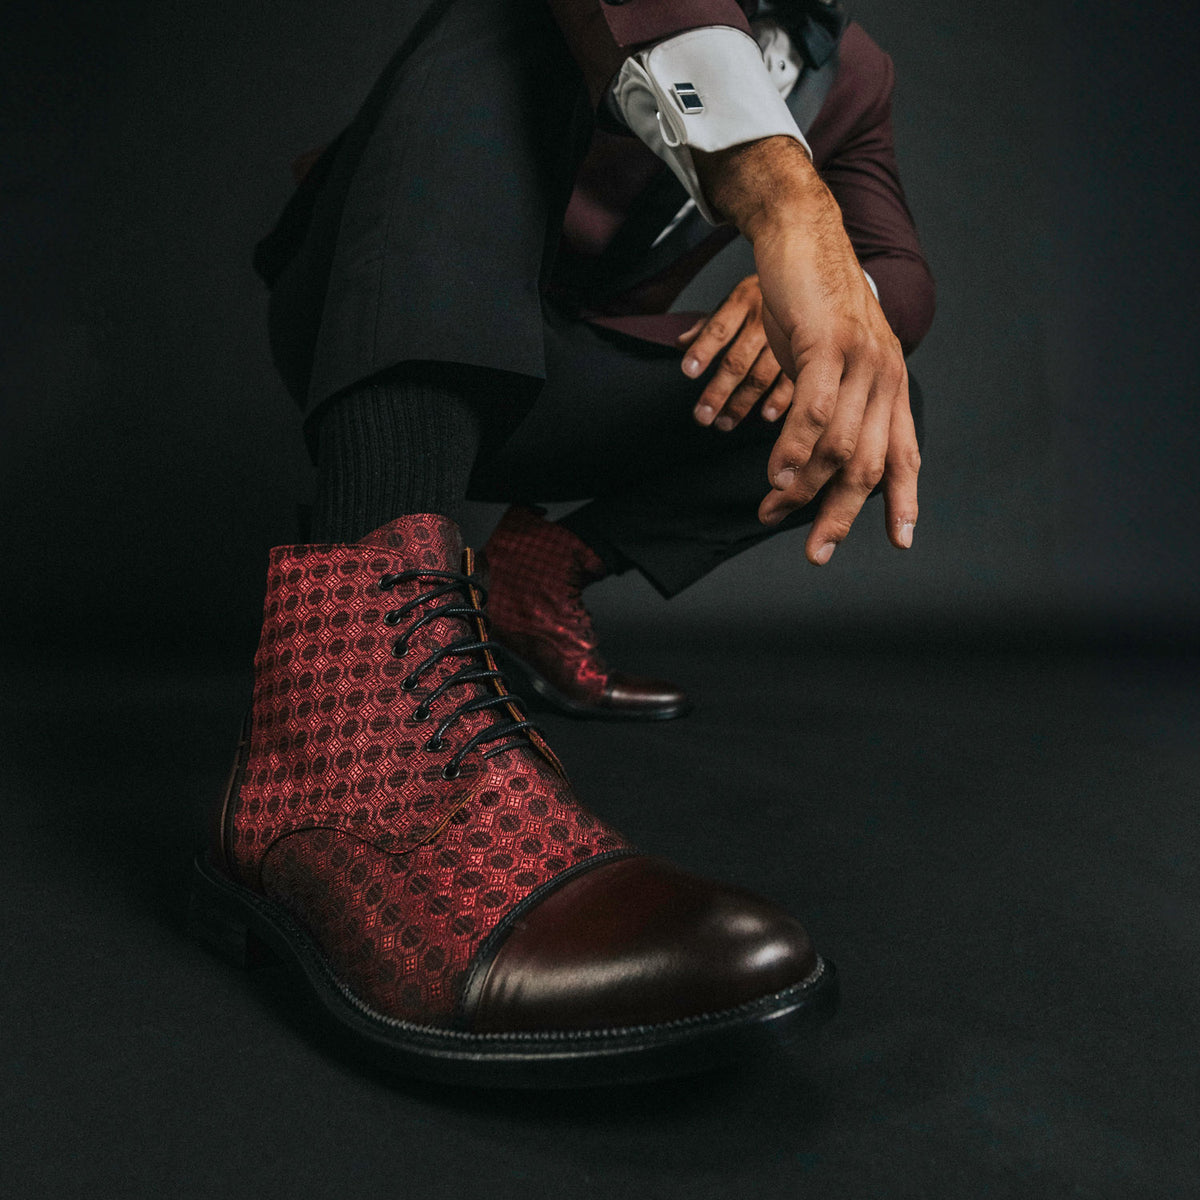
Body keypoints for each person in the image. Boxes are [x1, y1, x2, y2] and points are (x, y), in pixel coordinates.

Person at [189, 0, 933, 1086]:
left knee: (864, 395)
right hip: (376, 289)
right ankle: (346, 719)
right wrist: (787, 207)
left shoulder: (854, 76)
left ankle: (536, 583)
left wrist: (845, 299)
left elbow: (901, 269)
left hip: (560, 367)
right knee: (510, 18)